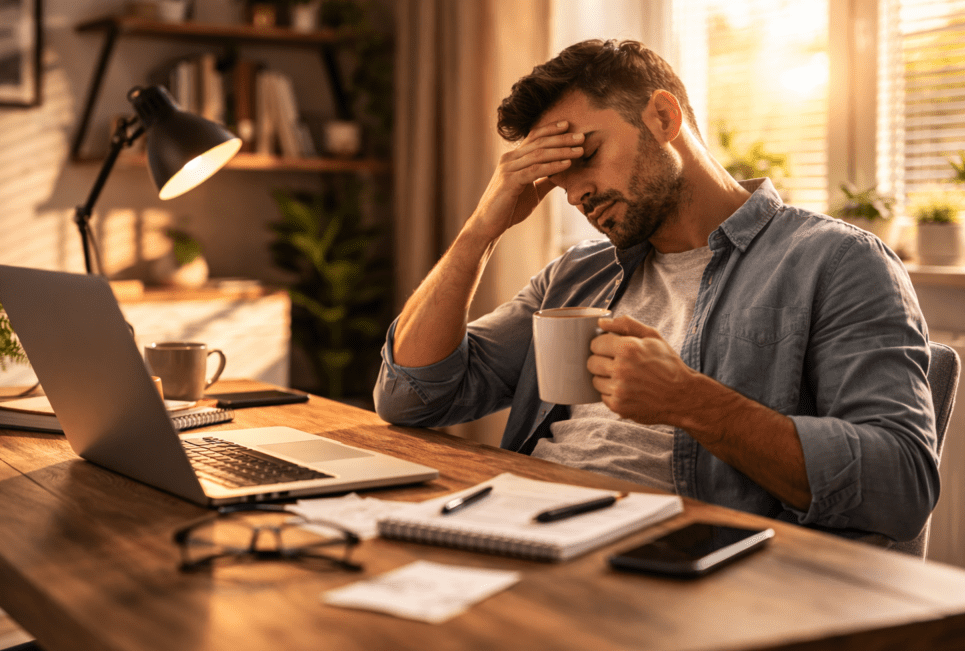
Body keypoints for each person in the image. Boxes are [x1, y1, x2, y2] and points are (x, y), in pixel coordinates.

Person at [374, 38, 938, 544]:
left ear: (664, 117)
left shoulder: (835, 261)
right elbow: (412, 397)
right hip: (526, 528)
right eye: (558, 178)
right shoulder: (576, 275)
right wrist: (481, 231)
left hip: (681, 562)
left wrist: (690, 401)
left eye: (586, 157)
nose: (575, 195)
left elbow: (902, 484)